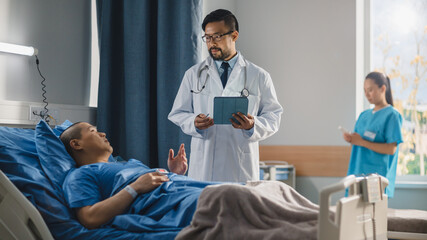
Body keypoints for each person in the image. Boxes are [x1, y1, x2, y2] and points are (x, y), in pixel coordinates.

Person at [168, 9, 283, 182]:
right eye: (207, 37)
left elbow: (274, 117)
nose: (211, 43)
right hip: (204, 167)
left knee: (237, 206)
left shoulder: (258, 76)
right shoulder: (193, 74)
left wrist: (252, 125)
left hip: (240, 166)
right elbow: (177, 113)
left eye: (217, 37)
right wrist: (194, 122)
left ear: (234, 35)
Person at [60, 121, 196, 229]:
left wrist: (174, 173)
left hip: (182, 188)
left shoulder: (129, 163)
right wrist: (135, 187)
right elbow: (89, 218)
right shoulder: (80, 174)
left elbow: (152, 182)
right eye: (93, 131)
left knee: (215, 193)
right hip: (167, 202)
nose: (103, 134)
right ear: (76, 144)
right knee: (214, 203)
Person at [343, 72, 403, 198]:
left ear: (383, 89)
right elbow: (359, 143)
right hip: (356, 173)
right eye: (365, 90)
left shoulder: (392, 115)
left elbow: (391, 149)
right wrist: (352, 140)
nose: (367, 94)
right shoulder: (363, 115)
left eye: (370, 90)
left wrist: (361, 142)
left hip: (376, 178)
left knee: (373, 215)